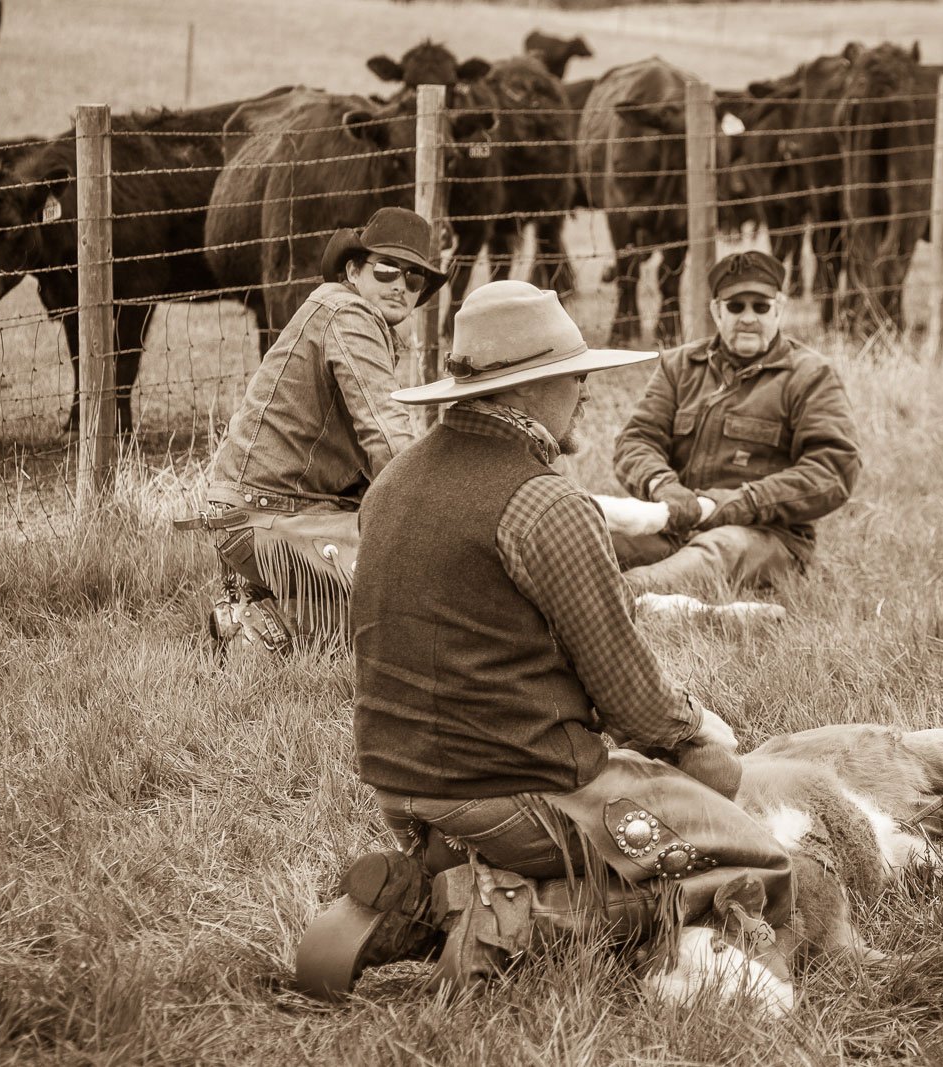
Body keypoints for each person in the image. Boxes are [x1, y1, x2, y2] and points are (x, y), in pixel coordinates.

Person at [293, 280, 794, 1002]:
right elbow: (636, 705)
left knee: (652, 801)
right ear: (532, 390)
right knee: (757, 863)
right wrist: (698, 731)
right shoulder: (546, 504)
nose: (584, 389)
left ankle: (435, 881)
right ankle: (496, 912)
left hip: (400, 788)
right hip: (518, 793)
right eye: (573, 375)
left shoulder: (393, 483)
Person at [175, 207, 445, 653]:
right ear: (354, 270)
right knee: (417, 598)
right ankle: (263, 628)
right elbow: (387, 437)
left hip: (259, 514)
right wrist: (438, 522)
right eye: (386, 269)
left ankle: (261, 605)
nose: (400, 284)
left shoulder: (341, 310)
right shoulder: (350, 315)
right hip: (271, 521)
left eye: (414, 279)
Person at [610, 250, 861, 598]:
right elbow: (636, 441)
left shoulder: (811, 376)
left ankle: (619, 598)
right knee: (589, 536)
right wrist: (663, 487)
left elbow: (832, 470)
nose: (748, 318)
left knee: (718, 550)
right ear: (716, 310)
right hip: (675, 521)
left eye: (760, 307)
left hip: (768, 536)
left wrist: (739, 503)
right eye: (735, 306)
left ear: (779, 308)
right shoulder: (679, 366)